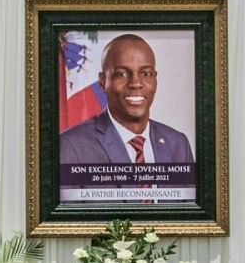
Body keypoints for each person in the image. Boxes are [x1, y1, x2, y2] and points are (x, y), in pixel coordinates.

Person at [59, 34, 194, 166]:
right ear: (102, 82)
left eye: (146, 73)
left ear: (155, 80)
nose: (135, 83)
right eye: (121, 74)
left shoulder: (178, 144)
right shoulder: (71, 146)